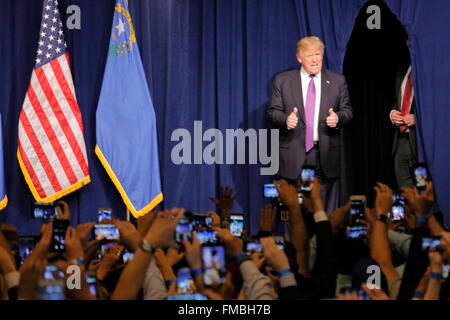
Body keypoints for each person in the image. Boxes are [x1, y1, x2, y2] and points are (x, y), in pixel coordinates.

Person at [267, 36, 353, 213]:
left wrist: (337, 118)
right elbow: (272, 112)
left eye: (318, 54)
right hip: (293, 155)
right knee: (294, 214)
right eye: (309, 55)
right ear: (299, 58)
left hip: (325, 156)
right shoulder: (282, 81)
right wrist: (286, 120)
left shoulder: (337, 81)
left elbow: (347, 111)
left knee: (323, 213)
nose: (315, 59)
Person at [389, 52, 418, 188]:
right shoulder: (402, 68)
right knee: (405, 191)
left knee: (422, 191)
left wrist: (418, 119)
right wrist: (393, 113)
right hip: (401, 140)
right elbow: (398, 100)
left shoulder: (429, 69)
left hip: (420, 142)